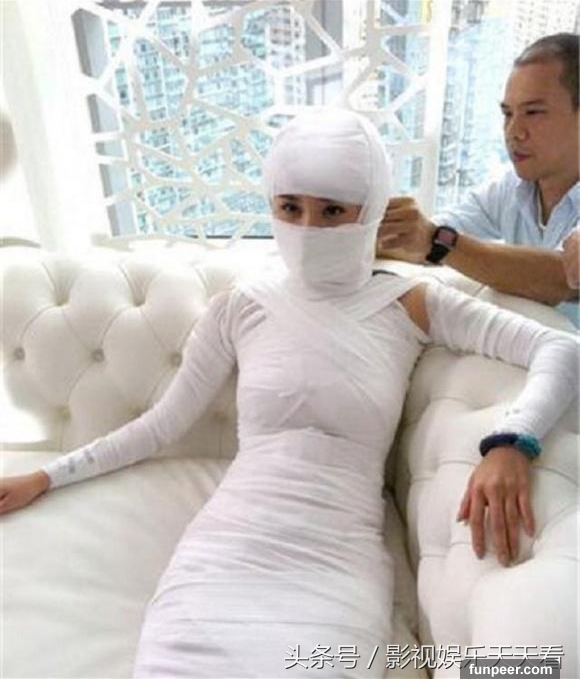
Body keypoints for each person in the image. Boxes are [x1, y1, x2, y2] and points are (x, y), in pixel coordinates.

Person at [0, 109, 577, 678]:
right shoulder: (241, 307)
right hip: (225, 555)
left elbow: (560, 348)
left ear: (371, 210)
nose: (307, 229)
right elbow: (160, 425)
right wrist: (45, 477)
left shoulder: (410, 304)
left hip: (334, 564)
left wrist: (512, 441)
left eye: (333, 211)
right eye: (290, 208)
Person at [377, 33, 579, 326]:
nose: (514, 132)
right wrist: (355, 232)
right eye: (508, 114)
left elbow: (563, 278)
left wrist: (435, 240)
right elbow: (426, 240)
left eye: (534, 112)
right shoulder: (512, 188)